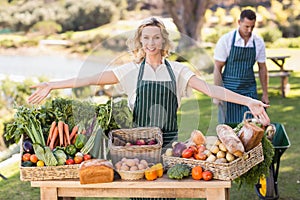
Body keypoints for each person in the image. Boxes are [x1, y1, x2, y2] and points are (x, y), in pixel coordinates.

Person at [28, 16, 269, 200]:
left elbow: (210, 90)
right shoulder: (131, 71)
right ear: (139, 41)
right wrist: (52, 84)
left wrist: (248, 101)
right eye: (146, 38)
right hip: (137, 151)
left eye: (155, 37)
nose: (150, 43)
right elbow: (91, 78)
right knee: (140, 194)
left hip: (170, 150)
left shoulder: (177, 70)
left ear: (163, 40)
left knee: (166, 194)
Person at [213, 9, 269, 124]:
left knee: (252, 126)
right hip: (229, 91)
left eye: (252, 27)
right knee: (229, 128)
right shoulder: (226, 40)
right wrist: (217, 94)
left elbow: (262, 68)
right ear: (239, 22)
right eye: (246, 26)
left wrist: (265, 93)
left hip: (249, 90)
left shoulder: (258, 42)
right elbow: (217, 68)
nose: (249, 30)